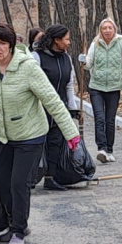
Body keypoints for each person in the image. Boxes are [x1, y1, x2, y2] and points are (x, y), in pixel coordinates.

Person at [0, 23, 81, 244]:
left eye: (3, 43)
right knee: (0, 180)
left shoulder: (28, 67)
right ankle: (14, 222)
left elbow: (52, 100)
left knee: (18, 182)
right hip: (2, 135)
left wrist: (71, 132)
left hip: (30, 135)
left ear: (12, 45)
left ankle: (19, 231)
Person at [32, 24, 82, 191]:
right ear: (56, 40)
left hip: (60, 109)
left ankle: (50, 178)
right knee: (37, 144)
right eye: (66, 39)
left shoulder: (66, 59)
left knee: (56, 143)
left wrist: (72, 110)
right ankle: (30, 177)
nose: (69, 42)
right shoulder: (36, 58)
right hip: (39, 108)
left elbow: (69, 86)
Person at [84, 18, 122, 164]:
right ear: (100, 30)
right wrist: (83, 60)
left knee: (109, 120)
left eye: (109, 28)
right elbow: (88, 64)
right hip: (96, 87)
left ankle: (110, 149)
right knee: (99, 117)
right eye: (104, 28)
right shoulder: (94, 44)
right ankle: (102, 149)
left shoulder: (121, 44)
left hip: (114, 88)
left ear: (114, 29)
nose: (107, 31)